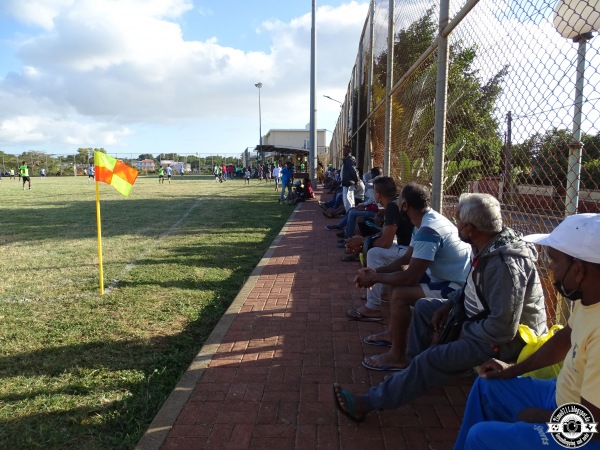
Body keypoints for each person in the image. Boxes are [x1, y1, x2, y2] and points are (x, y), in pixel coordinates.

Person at [333, 192, 548, 422]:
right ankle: (412, 373)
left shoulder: (504, 265)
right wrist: (451, 305)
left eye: (458, 222)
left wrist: (464, 333)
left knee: (433, 357)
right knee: (426, 308)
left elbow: (503, 330)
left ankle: (368, 402)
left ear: (470, 228)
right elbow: (472, 285)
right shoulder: (489, 245)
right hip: (482, 320)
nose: (456, 226)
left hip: (505, 342)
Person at [453, 213, 600, 450]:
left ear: (579, 270)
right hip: (563, 396)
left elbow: (592, 425)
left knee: (481, 437)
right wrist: (513, 369)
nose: (549, 267)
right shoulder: (590, 300)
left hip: (585, 432)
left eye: (553, 260)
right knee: (486, 386)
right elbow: (563, 340)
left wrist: (543, 418)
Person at [354, 183, 472, 370]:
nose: (396, 203)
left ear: (405, 205)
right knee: (395, 282)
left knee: (401, 293)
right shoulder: (423, 222)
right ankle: (393, 334)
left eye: (399, 200)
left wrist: (374, 279)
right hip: (442, 277)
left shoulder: (428, 230)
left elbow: (410, 277)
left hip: (456, 287)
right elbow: (405, 259)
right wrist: (377, 272)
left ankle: (398, 357)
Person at [344, 176, 413, 304]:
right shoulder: (395, 203)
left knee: (373, 252)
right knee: (373, 246)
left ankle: (372, 305)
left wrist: (364, 241)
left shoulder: (392, 207)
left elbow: (385, 242)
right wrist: (363, 240)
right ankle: (384, 292)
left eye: (374, 192)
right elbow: (384, 234)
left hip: (411, 252)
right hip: (409, 249)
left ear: (378, 195)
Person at [340, 145, 359, 214]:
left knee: (348, 199)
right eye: (343, 149)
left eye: (345, 150)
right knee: (347, 199)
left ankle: (350, 214)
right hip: (346, 182)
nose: (343, 151)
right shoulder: (346, 160)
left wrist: (357, 180)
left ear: (349, 151)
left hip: (349, 182)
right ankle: (349, 214)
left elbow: (353, 171)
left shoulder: (349, 160)